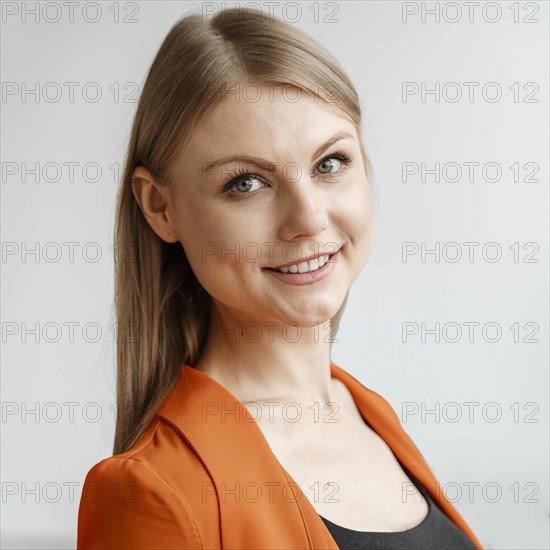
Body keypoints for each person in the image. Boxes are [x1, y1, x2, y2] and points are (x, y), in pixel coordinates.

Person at [77, 7, 483, 549]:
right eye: (245, 183)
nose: (309, 219)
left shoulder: (367, 412)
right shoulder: (153, 492)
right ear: (160, 208)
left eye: (330, 163)